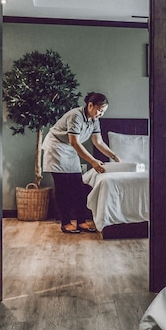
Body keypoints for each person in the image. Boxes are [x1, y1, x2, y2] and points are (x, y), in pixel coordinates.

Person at [40, 92, 121, 234]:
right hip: (56, 147)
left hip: (70, 149)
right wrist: (93, 161)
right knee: (62, 187)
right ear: (90, 105)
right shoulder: (76, 116)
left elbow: (98, 142)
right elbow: (74, 142)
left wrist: (114, 156)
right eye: (100, 110)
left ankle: (81, 221)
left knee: (78, 187)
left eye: (103, 111)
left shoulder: (94, 120)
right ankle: (65, 222)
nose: (101, 114)